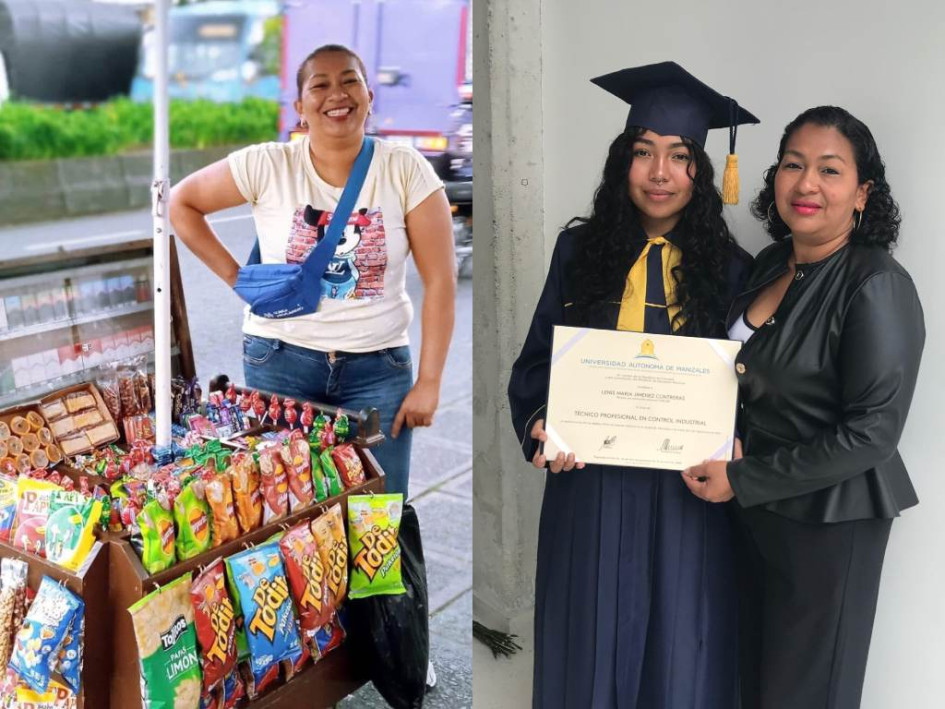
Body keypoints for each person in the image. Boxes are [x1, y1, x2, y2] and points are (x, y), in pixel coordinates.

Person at [507, 62, 757, 708]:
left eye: (679, 156)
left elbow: (752, 390)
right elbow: (536, 365)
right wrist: (540, 423)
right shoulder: (579, 254)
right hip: (589, 487)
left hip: (687, 498)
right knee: (585, 650)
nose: (659, 173)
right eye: (643, 152)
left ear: (702, 172)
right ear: (623, 161)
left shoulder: (734, 272)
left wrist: (737, 447)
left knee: (679, 657)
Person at [682, 106, 925, 709]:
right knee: (751, 685)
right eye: (793, 165)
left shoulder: (875, 283)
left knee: (805, 694)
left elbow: (872, 433)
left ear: (863, 193)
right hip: (753, 514)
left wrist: (743, 478)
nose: (806, 183)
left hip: (827, 527)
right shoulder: (770, 264)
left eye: (830, 169)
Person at [169, 44, 456, 497]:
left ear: (369, 96)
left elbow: (440, 280)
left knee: (379, 509)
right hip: (280, 363)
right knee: (291, 511)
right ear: (300, 107)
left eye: (349, 81)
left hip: (379, 371)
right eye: (320, 85)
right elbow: (181, 204)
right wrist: (236, 278)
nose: (336, 94)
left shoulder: (405, 169)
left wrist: (430, 382)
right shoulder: (268, 164)